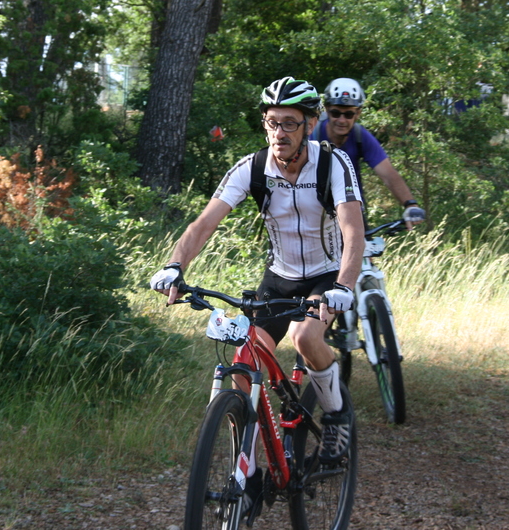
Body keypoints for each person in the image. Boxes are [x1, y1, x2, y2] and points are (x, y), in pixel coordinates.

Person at [150, 76, 364, 520]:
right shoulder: (252, 168)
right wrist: (175, 266)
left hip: (326, 276)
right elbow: (203, 224)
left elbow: (352, 230)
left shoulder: (333, 163)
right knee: (245, 360)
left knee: (306, 338)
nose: (279, 132)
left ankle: (336, 414)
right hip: (279, 277)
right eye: (271, 122)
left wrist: (344, 286)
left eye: (289, 123)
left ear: (309, 125)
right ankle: (244, 472)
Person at [313, 78, 427, 227]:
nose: (341, 120)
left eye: (348, 114)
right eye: (335, 113)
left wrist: (410, 205)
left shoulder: (360, 136)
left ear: (358, 113)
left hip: (351, 213)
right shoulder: (312, 135)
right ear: (327, 110)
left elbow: (388, 174)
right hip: (314, 213)